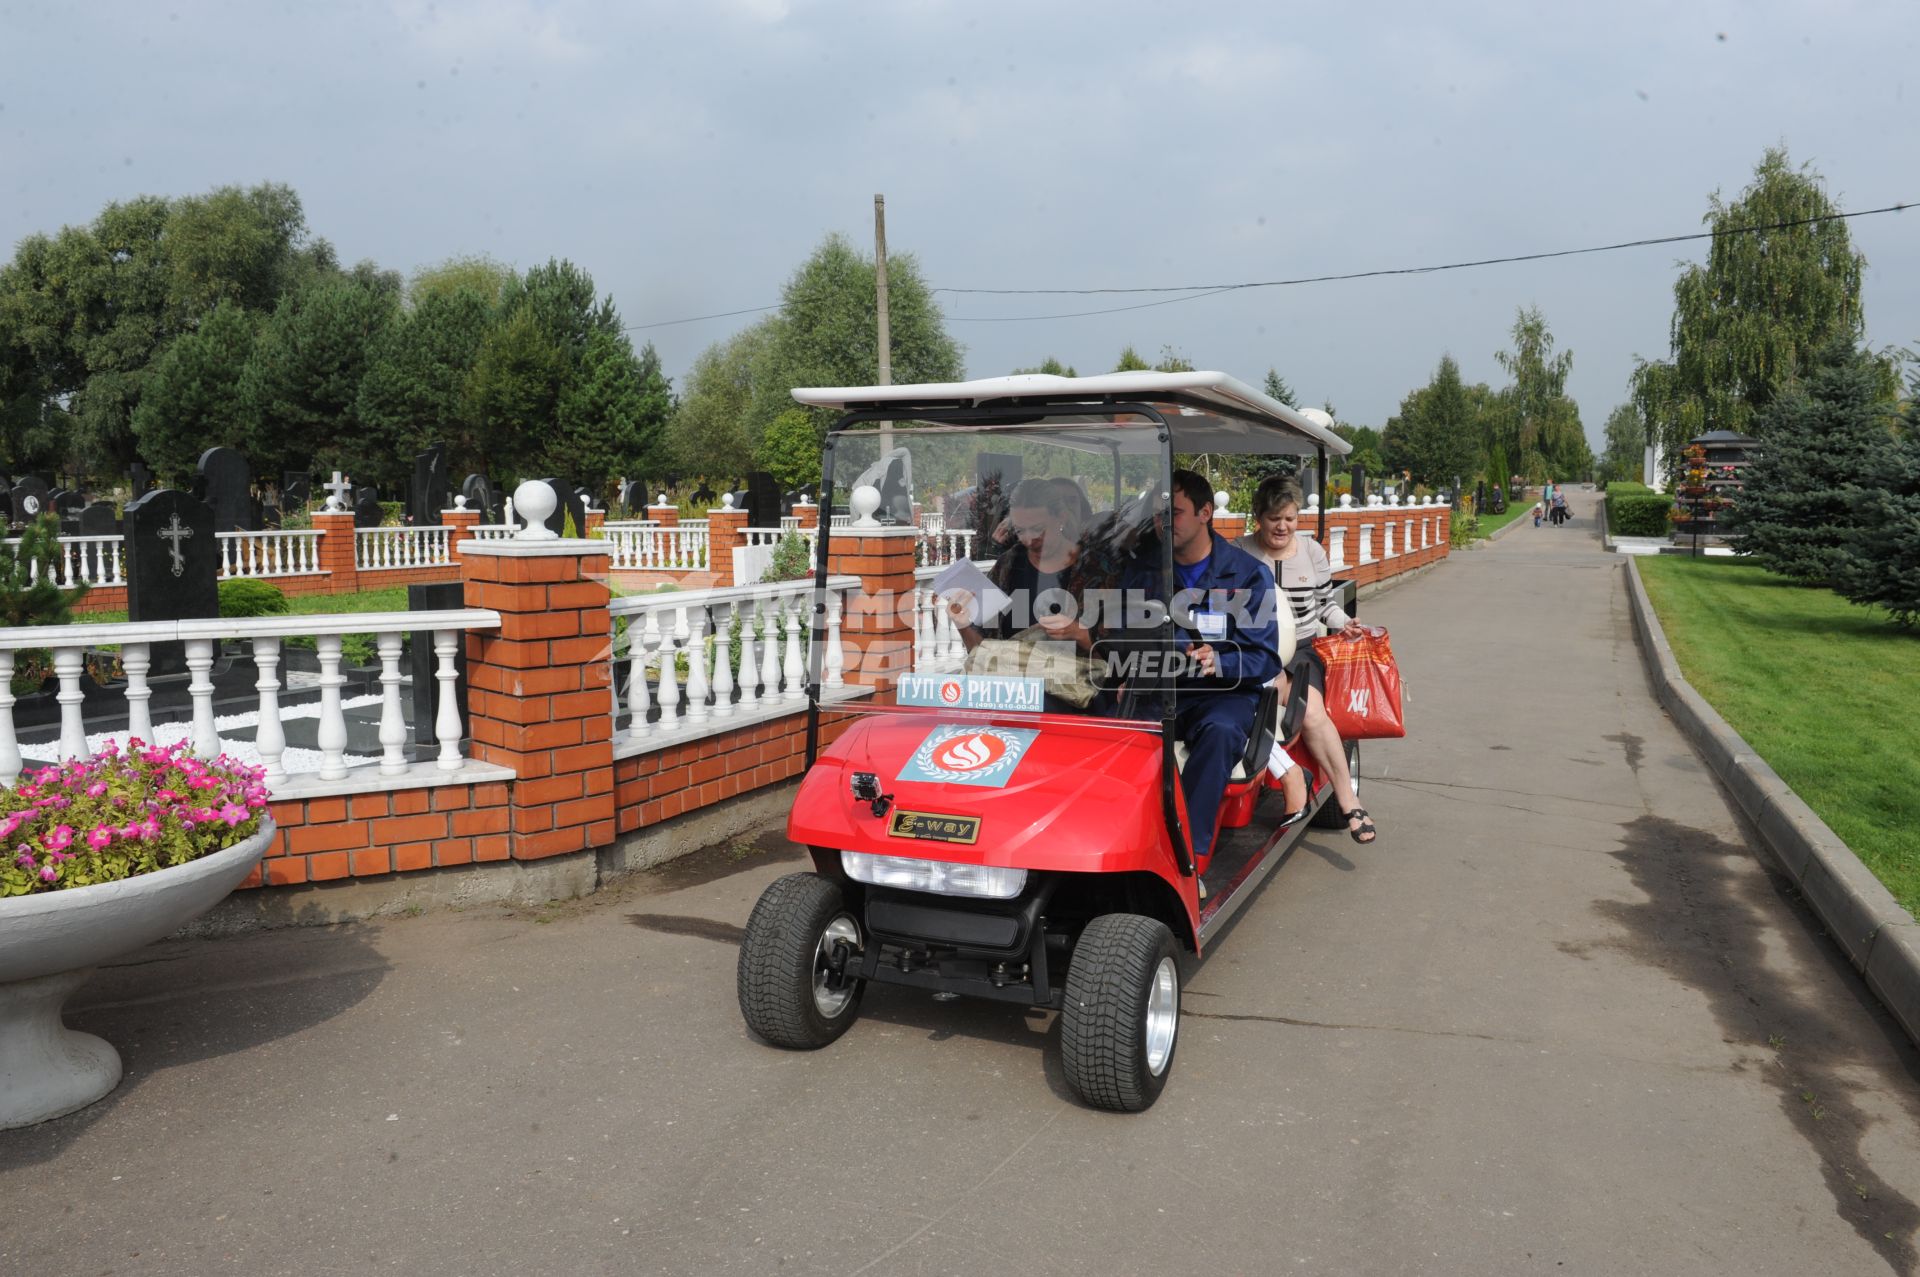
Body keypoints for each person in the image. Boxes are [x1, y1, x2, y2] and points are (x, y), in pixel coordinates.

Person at [1121, 470, 1280, 872]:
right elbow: (1121, 632)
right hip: (1157, 686)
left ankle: (1187, 857)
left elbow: (1265, 657)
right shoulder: (1144, 571)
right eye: (1159, 514)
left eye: (1175, 512)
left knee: (1221, 733)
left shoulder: (1246, 574)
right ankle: (1116, 841)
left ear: (1205, 512)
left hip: (1222, 694)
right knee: (1107, 723)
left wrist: (1221, 661)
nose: (1164, 522)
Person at [1235, 475, 1377, 844]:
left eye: (1289, 518)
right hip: (1254, 650)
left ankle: (1349, 801)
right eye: (1272, 518)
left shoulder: (1311, 552)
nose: (1281, 526)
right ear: (1258, 517)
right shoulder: (1239, 552)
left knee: (1311, 712)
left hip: (1299, 650)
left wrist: (1345, 624)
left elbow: (1325, 604)